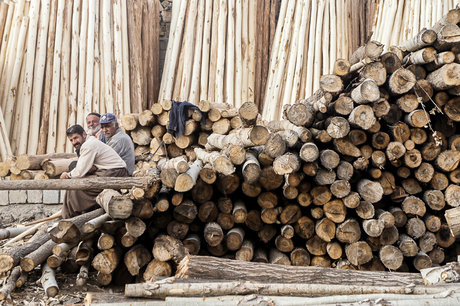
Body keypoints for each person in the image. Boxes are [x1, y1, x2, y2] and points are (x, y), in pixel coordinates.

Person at [60, 124, 128, 218]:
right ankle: (71, 216)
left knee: (75, 188)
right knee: (74, 186)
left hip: (115, 173)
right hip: (109, 171)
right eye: (71, 140)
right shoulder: (88, 143)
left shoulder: (89, 145)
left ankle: (71, 217)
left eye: (76, 138)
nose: (74, 142)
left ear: (84, 134)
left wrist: (67, 175)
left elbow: (79, 172)